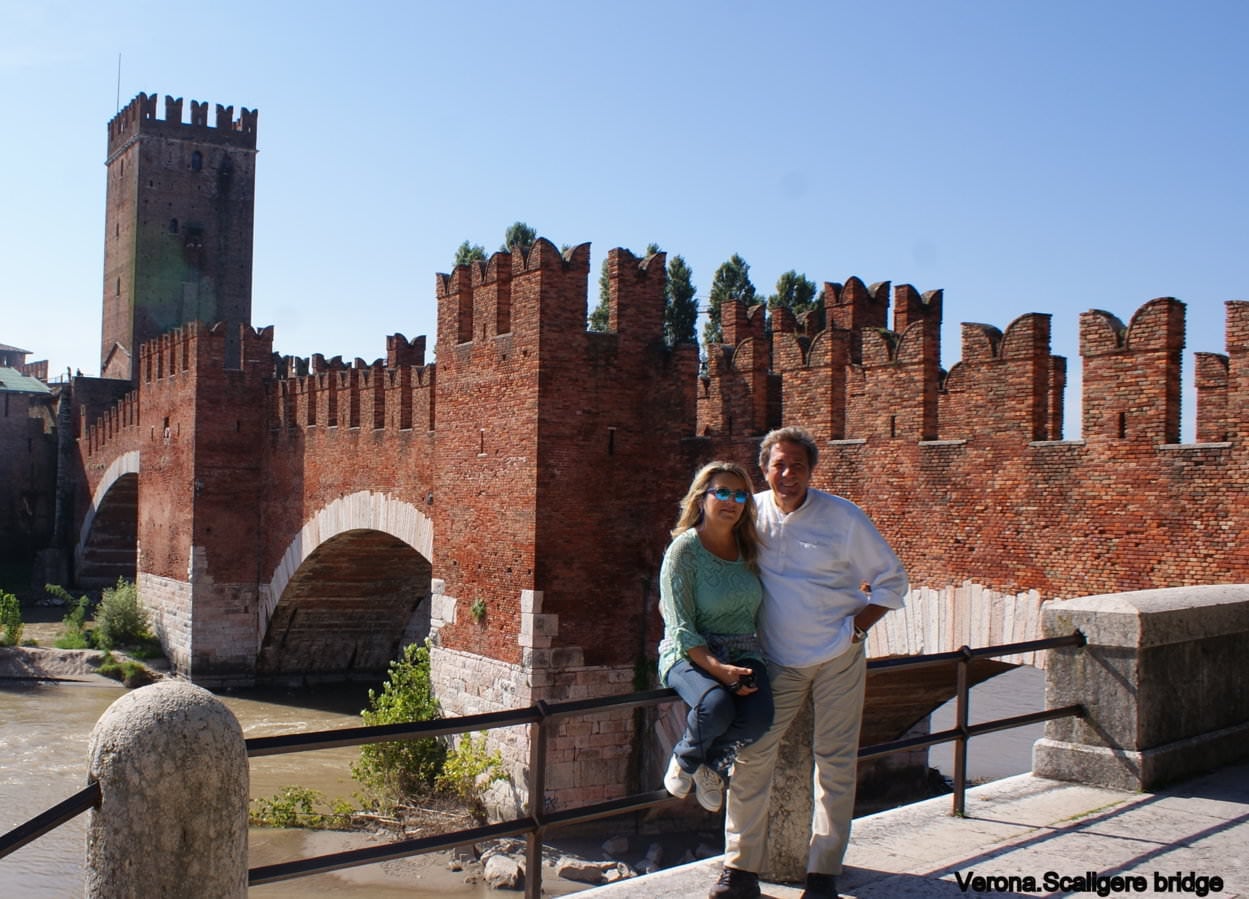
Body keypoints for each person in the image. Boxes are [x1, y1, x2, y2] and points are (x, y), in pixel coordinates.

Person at [710, 426, 909, 899]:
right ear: (764, 469)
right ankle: (739, 870)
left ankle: (822, 875)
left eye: (797, 466)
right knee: (752, 756)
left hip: (839, 656)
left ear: (811, 471)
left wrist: (855, 631)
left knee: (835, 763)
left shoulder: (843, 517)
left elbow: (892, 581)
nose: (788, 474)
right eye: (779, 465)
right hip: (778, 659)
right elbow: (706, 548)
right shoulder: (750, 513)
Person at [658, 461, 775, 814]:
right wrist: (718, 669)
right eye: (722, 492)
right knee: (716, 705)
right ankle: (685, 758)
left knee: (759, 717)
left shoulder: (749, 549)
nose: (731, 501)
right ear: (701, 498)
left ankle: (712, 765)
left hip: (743, 650)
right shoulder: (684, 551)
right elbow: (680, 627)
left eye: (740, 495)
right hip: (687, 653)